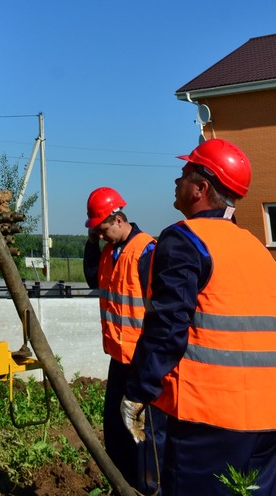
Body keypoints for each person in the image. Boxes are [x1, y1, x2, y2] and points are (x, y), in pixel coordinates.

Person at [122, 139, 276, 496]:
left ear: (201, 188)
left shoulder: (184, 240)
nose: (176, 183)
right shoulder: (257, 250)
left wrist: (137, 391)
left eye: (183, 175)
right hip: (267, 423)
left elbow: (167, 327)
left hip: (207, 424)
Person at [83, 186, 165, 494]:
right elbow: (93, 278)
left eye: (102, 228)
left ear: (117, 219)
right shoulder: (107, 252)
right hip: (118, 359)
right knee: (115, 429)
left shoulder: (147, 251)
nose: (101, 235)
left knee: (141, 433)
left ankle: (148, 488)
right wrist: (93, 242)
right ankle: (123, 485)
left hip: (143, 363)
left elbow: (162, 311)